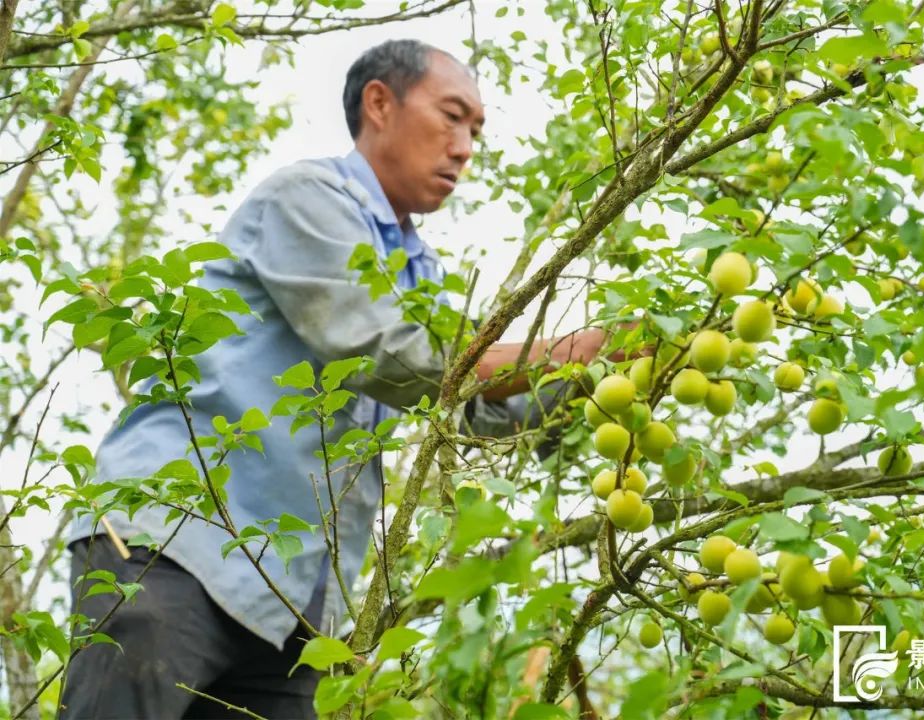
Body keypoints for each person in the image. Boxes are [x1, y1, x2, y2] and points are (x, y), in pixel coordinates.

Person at [59, 39, 607, 719]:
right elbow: (397, 355)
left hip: (293, 613)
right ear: (380, 102)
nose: (465, 147)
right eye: (452, 116)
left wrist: (601, 382)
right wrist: (573, 350)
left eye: (475, 130)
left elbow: (468, 409)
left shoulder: (419, 271)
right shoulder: (309, 198)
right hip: (175, 551)